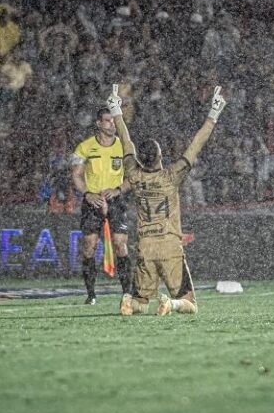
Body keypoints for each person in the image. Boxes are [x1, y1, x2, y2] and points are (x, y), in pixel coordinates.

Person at [106, 84, 226, 316]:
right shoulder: (172, 176)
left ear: (140, 159)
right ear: (160, 156)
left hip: (145, 246)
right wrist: (213, 114)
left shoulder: (134, 174)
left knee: (140, 302)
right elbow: (195, 145)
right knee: (190, 303)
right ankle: (171, 304)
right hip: (169, 246)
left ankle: (129, 302)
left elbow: (126, 142)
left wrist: (116, 112)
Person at [71, 107, 132, 305]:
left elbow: (133, 178)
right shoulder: (85, 147)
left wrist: (118, 190)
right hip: (93, 201)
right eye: (107, 121)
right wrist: (87, 194)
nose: (112, 124)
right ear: (98, 123)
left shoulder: (124, 147)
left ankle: (127, 293)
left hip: (116, 200)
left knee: (120, 243)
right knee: (89, 246)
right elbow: (76, 176)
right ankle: (91, 294)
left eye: (113, 121)